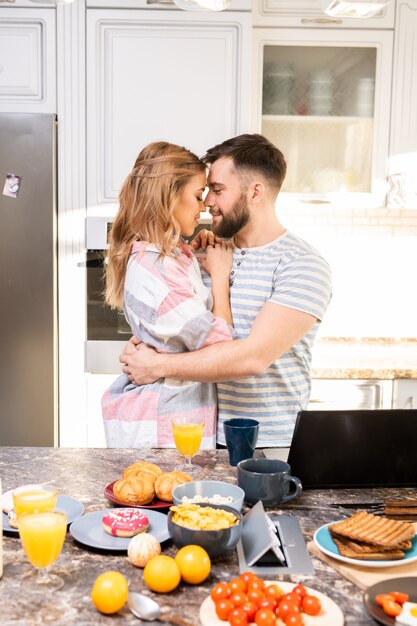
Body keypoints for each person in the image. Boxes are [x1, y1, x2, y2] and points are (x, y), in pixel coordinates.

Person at [120, 134, 332, 449]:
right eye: (206, 191)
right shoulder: (202, 255)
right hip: (202, 436)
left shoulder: (302, 264)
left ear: (255, 191)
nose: (207, 202)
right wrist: (143, 346)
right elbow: (181, 332)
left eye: (217, 190)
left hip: (270, 443)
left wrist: (157, 366)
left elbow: (252, 358)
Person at [101, 141, 235, 448]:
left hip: (169, 418)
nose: (204, 205)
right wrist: (219, 277)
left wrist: (197, 255)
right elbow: (221, 344)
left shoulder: (166, 257)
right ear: (169, 197)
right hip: (164, 425)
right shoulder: (157, 270)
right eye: (197, 194)